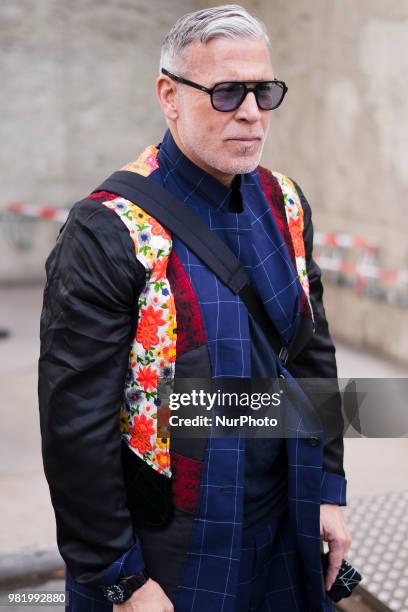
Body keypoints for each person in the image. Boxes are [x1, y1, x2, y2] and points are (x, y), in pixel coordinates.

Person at [38, 5, 351, 611]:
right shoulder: (109, 229)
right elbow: (75, 428)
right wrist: (119, 577)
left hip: (283, 526)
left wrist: (328, 489)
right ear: (169, 96)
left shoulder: (285, 202)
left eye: (265, 91)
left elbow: (312, 353)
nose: (251, 113)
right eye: (227, 91)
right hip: (173, 554)